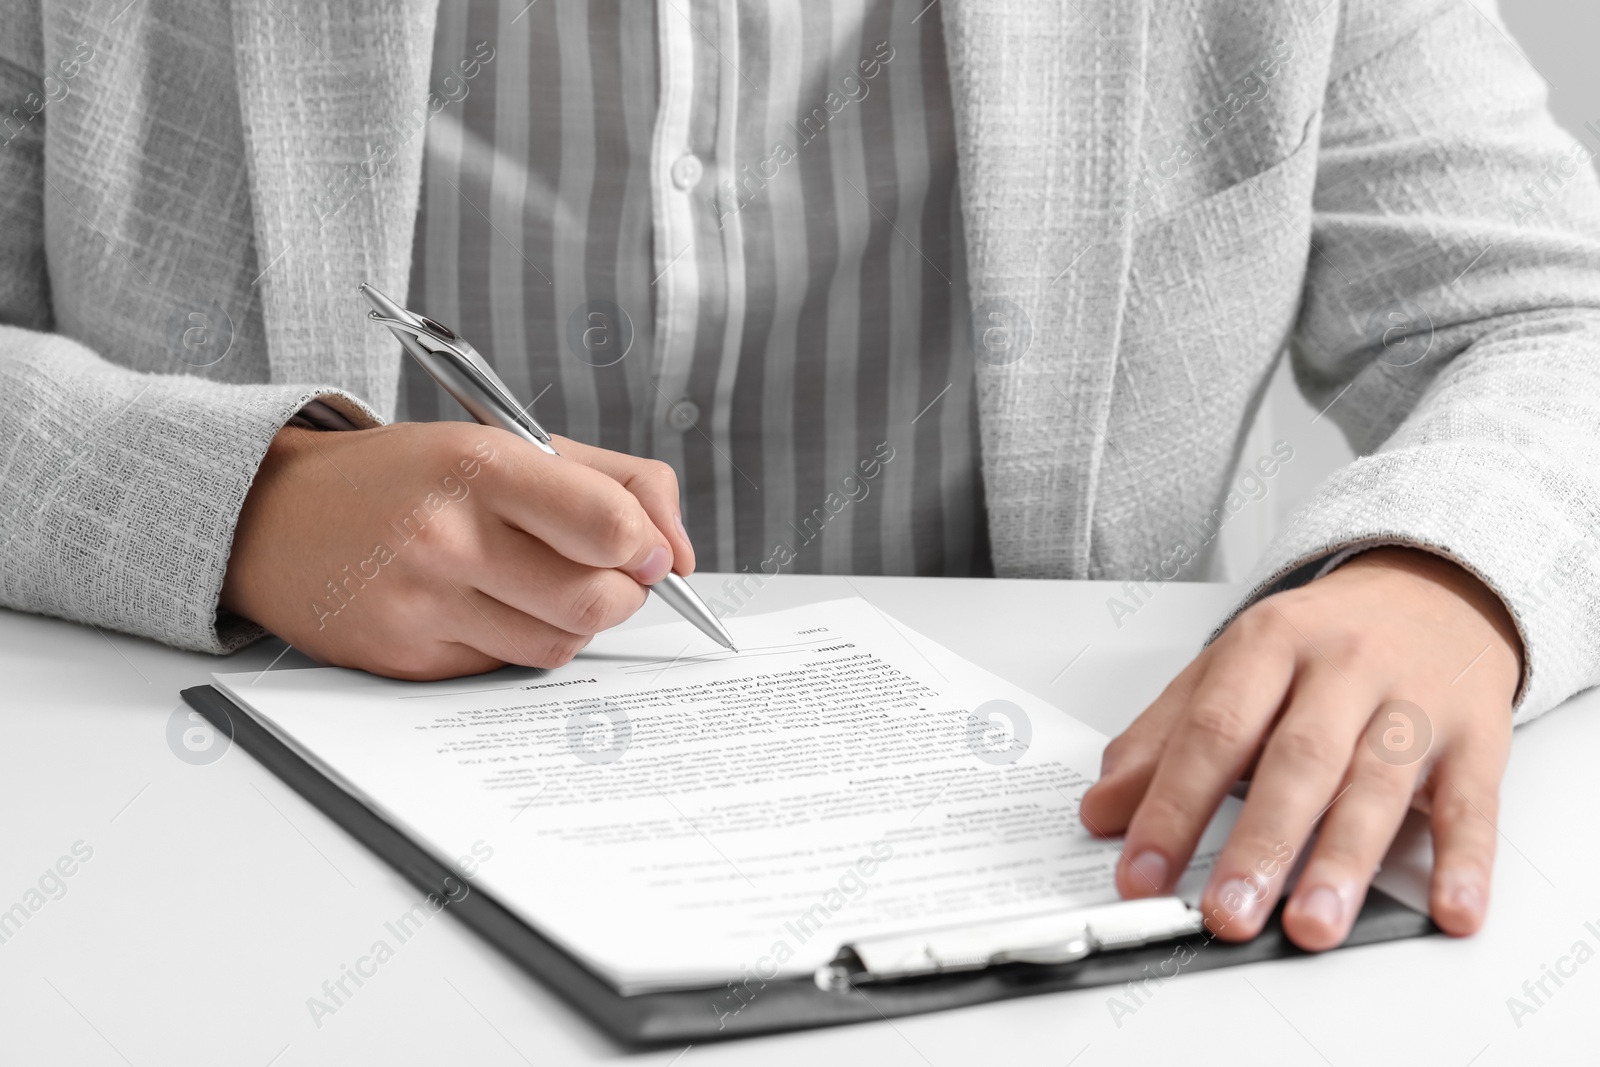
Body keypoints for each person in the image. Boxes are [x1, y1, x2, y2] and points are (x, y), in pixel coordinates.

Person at [2, 0, 1597, 958]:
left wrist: (1438, 575)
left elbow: (1551, 320)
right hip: (253, 914)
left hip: (1059, 901)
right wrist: (250, 502)